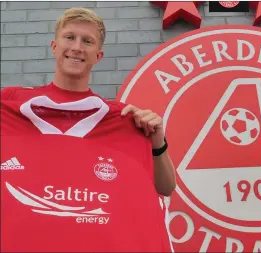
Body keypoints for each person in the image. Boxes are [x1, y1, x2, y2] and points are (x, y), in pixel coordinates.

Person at [1, 7, 175, 252]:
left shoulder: (123, 118)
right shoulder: (11, 102)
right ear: (54, 46)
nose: (77, 47)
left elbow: (165, 188)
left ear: (98, 55)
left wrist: (157, 142)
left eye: (87, 41)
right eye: (70, 37)